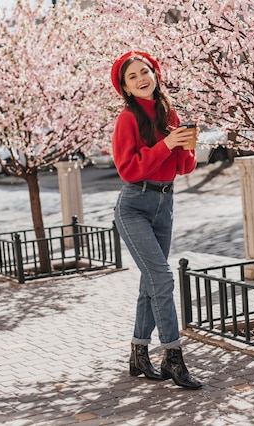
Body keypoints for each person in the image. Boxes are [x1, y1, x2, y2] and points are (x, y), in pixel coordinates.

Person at [110, 51, 202, 389]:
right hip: (134, 204)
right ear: (126, 88)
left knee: (150, 282)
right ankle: (173, 357)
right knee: (162, 278)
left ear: (155, 74)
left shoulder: (169, 112)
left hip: (166, 201)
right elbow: (128, 169)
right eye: (132, 77)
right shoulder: (127, 119)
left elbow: (183, 168)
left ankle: (138, 353)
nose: (141, 79)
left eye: (145, 71)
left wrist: (186, 145)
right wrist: (165, 144)